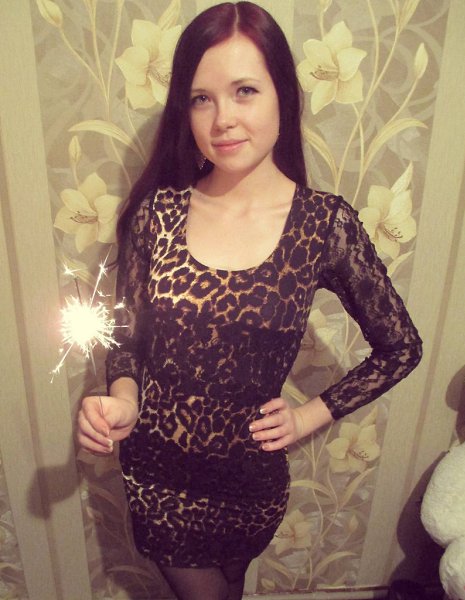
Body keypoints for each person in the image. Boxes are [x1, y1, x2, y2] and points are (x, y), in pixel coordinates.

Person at [77, 2, 422, 599]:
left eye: (244, 91)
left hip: (250, 486)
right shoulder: (157, 214)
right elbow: (127, 339)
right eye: (201, 98)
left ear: (282, 94)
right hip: (159, 476)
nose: (223, 119)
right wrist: (123, 400)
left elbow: (401, 348)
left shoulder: (323, 225)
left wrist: (310, 415)